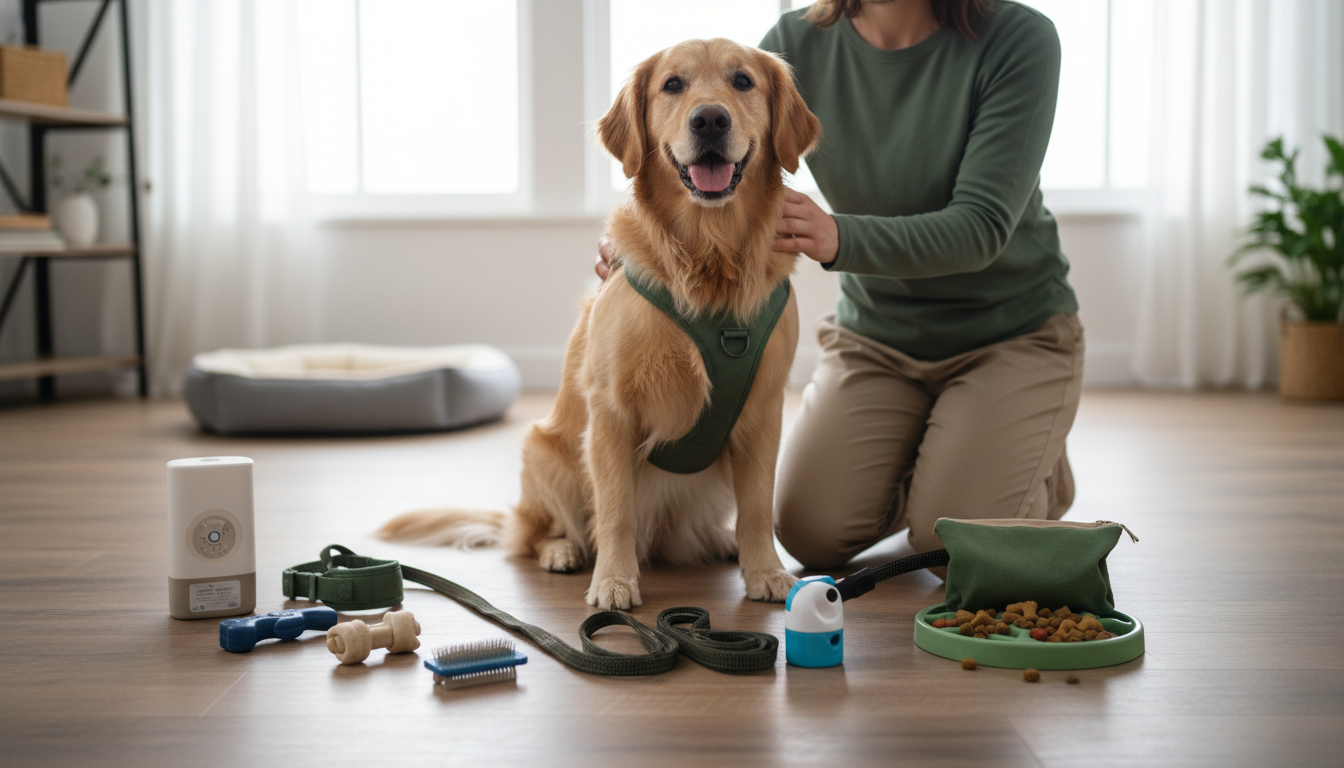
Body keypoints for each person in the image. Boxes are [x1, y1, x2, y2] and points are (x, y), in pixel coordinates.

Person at [599, 0, 1083, 572]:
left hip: (1011, 335)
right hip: (877, 338)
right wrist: (641, 251)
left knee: (949, 547)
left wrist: (837, 238)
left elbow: (982, 227)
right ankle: (940, 456)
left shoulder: (1020, 38)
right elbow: (726, 154)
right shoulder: (796, 42)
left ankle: (1027, 458)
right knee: (809, 535)